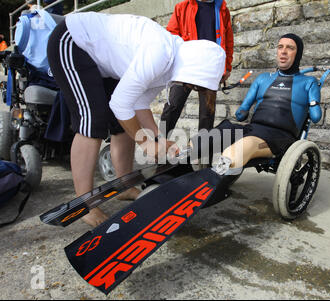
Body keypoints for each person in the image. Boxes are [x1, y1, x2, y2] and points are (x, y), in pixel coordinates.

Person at [47, 12, 225, 227]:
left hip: (101, 61)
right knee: (92, 121)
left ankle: (124, 186)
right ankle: (85, 204)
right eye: (193, 84)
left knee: (121, 125)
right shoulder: (159, 54)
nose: (190, 88)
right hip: (72, 41)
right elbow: (120, 104)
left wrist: (157, 139)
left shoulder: (170, 66)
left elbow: (138, 104)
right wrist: (146, 143)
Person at [192, 33, 322, 173]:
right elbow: (241, 115)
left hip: (280, 137)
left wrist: (313, 97)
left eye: (290, 48)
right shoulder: (263, 79)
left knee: (240, 149)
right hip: (252, 129)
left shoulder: (308, 82)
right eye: (280, 47)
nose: (283, 51)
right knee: (207, 137)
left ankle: (212, 181)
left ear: (298, 54)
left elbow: (315, 117)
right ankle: (181, 163)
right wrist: (242, 110)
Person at [160, 0, 234, 137]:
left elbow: (228, 39)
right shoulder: (182, 7)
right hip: (186, 65)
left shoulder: (222, 9)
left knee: (207, 113)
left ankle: (203, 155)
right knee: (173, 106)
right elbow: (171, 36)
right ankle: (158, 147)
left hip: (210, 67)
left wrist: (227, 66)